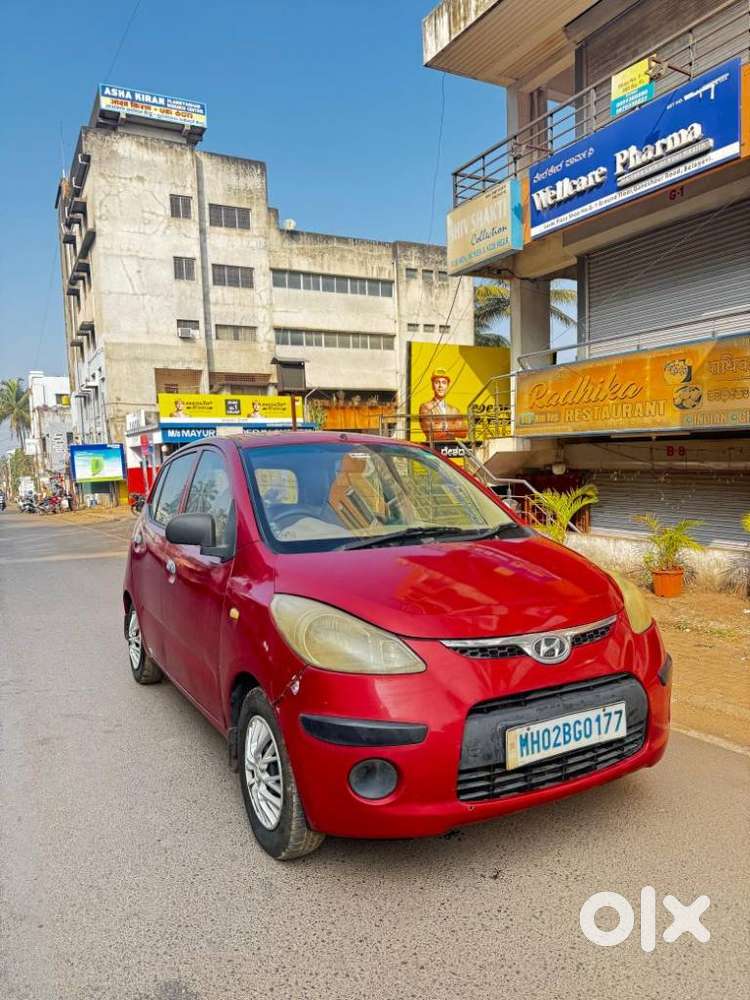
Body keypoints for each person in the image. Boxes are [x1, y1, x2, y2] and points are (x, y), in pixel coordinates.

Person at [418, 368, 468, 442]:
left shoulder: (454, 410)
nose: (440, 386)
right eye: (437, 382)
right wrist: (453, 426)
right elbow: (433, 433)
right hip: (434, 448)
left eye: (444, 383)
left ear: (447, 386)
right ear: (432, 386)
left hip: (451, 449)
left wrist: (443, 426)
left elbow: (464, 432)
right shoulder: (426, 407)